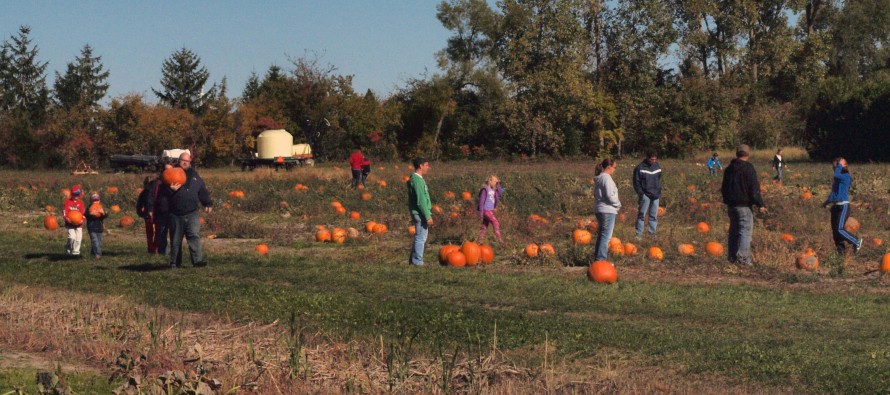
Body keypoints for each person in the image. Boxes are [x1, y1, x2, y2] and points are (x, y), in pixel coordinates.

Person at [163, 153, 213, 268]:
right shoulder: (170, 174)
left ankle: (197, 261)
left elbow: (202, 190)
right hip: (176, 213)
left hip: (192, 212)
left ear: (190, 162)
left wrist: (207, 203)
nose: (185, 162)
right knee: (176, 239)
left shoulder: (195, 175)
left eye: (187, 161)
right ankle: (175, 262)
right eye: (183, 160)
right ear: (179, 161)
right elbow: (162, 194)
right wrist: (170, 190)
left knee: (194, 236)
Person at [721, 144, 766, 266]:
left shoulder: (729, 169)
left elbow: (724, 188)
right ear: (748, 154)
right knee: (745, 232)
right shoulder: (748, 168)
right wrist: (760, 204)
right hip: (744, 206)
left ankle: (732, 258)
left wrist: (727, 200)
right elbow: (754, 188)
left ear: (737, 154)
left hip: (731, 206)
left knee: (734, 231)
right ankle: (743, 260)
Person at [821, 158, 863, 254]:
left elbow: (836, 174)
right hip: (836, 207)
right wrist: (826, 203)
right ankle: (841, 254)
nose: (834, 167)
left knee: (840, 229)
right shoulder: (838, 180)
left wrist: (840, 164)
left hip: (843, 206)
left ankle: (856, 241)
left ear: (843, 166)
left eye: (836, 165)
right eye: (834, 166)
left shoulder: (845, 176)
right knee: (835, 232)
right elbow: (834, 194)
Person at [407, 157, 433, 266]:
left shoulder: (418, 179)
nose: (428, 167)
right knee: (420, 238)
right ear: (421, 166)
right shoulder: (416, 180)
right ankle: (417, 262)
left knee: (421, 237)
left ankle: (413, 261)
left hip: (420, 212)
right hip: (420, 212)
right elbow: (420, 200)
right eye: (426, 165)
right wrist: (427, 216)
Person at [593, 159, 621, 261]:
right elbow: (609, 195)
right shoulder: (607, 178)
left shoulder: (599, 178)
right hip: (608, 210)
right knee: (606, 236)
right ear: (609, 167)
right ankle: (601, 260)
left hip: (600, 209)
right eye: (614, 167)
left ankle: (598, 259)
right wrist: (618, 203)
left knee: (601, 235)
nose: (615, 170)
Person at [632, 151, 662, 238]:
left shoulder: (657, 166)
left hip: (655, 195)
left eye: (655, 159)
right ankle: (639, 235)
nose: (654, 161)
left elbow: (659, 178)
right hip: (645, 195)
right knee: (641, 215)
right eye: (652, 159)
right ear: (647, 158)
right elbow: (636, 183)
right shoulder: (640, 168)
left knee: (653, 216)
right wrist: (641, 194)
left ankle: (652, 234)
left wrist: (658, 190)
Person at [147, 164, 173, 256]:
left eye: (170, 170)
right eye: (166, 170)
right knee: (161, 233)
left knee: (174, 234)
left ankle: (174, 254)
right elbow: (150, 196)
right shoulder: (157, 183)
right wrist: (150, 209)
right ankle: (163, 253)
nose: (168, 172)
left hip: (173, 212)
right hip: (161, 212)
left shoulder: (176, 181)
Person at [477, 175, 505, 242]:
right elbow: (481, 201)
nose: (496, 182)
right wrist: (481, 212)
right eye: (495, 181)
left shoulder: (494, 190)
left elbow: (500, 193)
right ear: (490, 181)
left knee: (484, 226)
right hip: (485, 210)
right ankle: (499, 239)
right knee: (495, 222)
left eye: (497, 182)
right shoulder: (485, 189)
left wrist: (498, 184)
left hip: (490, 211)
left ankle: (479, 240)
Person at [136, 175, 159, 253]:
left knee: (156, 232)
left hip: (156, 214)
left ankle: (155, 248)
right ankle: (151, 249)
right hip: (148, 215)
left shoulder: (158, 192)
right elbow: (139, 204)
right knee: (151, 233)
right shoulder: (144, 193)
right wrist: (141, 213)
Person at [62, 185, 85, 256]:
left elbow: (83, 214)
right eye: (75, 194)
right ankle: (68, 247)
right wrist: (66, 218)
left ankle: (76, 251)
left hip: (79, 224)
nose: (76, 196)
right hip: (70, 224)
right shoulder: (67, 202)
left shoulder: (80, 203)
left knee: (78, 238)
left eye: (77, 194)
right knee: (71, 237)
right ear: (72, 194)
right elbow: (64, 212)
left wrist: (82, 220)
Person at [85, 193, 107, 259]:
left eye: (97, 200)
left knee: (98, 242)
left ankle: (93, 253)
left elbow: (104, 216)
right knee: (95, 241)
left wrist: (103, 213)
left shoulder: (101, 207)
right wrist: (90, 214)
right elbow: (85, 215)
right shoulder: (89, 208)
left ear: (99, 200)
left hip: (99, 228)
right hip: (91, 228)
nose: (95, 202)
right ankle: (98, 254)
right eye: (94, 201)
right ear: (91, 201)